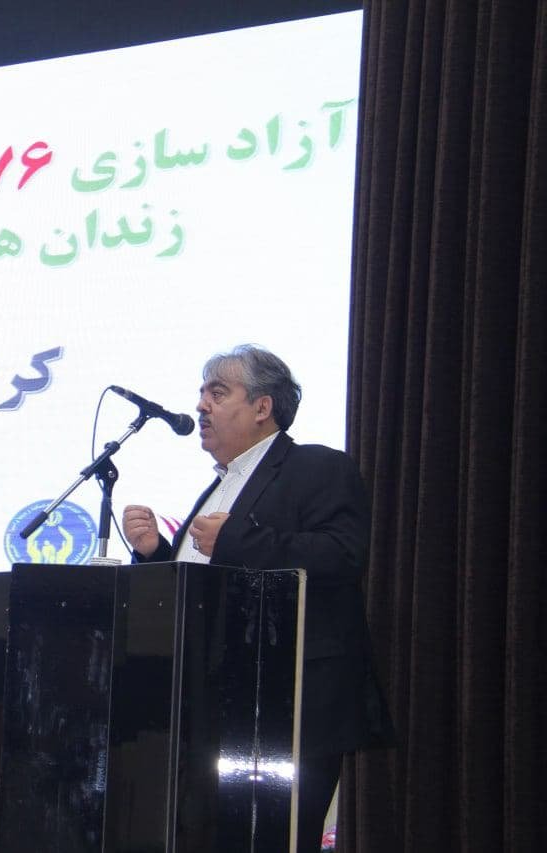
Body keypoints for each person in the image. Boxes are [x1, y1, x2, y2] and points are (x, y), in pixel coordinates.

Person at [121, 344, 391, 853]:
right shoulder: (219, 487)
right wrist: (155, 554)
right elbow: (202, 588)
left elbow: (342, 555)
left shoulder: (317, 467)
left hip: (290, 706)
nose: (201, 405)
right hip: (210, 707)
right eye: (201, 392)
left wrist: (234, 540)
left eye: (218, 393)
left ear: (263, 406)